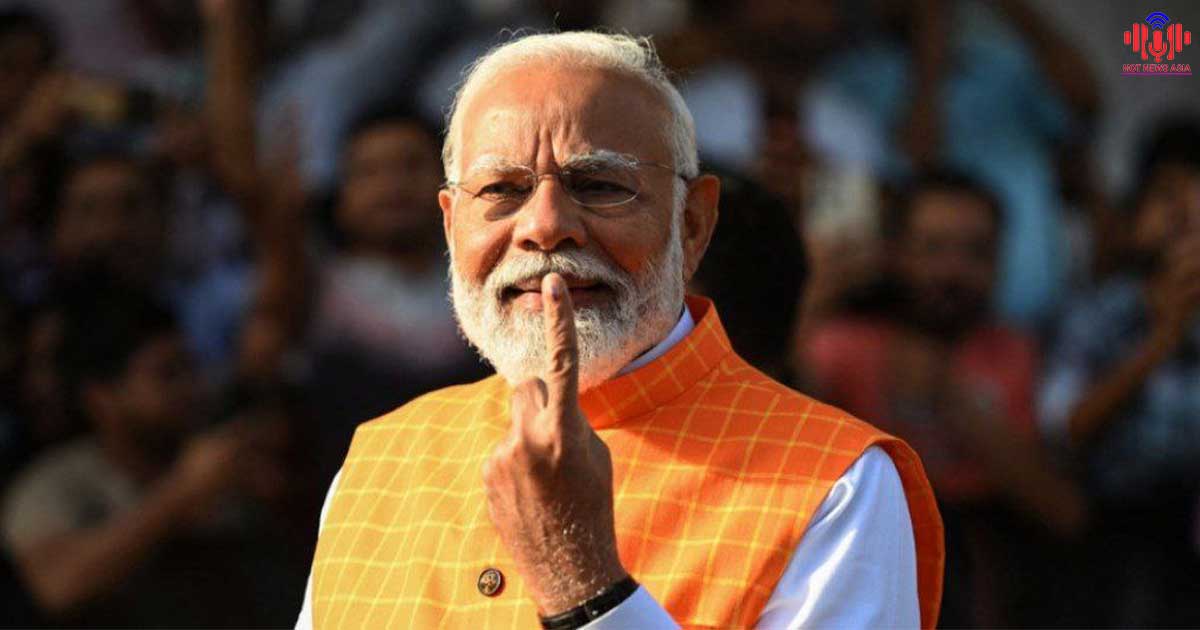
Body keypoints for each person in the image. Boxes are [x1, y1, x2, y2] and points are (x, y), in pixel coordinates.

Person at [297, 32, 943, 629]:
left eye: (599, 185)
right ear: (449, 225)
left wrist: (585, 585)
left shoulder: (836, 483)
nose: (544, 227)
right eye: (502, 191)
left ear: (693, 225)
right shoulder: (377, 464)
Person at [799, 170, 1084, 625]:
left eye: (975, 252)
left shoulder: (1016, 352)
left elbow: (1061, 511)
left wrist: (953, 398)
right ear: (894, 253)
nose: (953, 272)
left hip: (990, 570)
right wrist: (817, 297)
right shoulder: (839, 347)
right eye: (933, 249)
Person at [0, 279, 302, 626]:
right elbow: (57, 586)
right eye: (167, 375)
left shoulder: (225, 460)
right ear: (102, 397)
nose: (192, 388)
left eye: (191, 367)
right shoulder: (54, 485)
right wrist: (183, 493)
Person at [1040, 118, 1200, 626]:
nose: (1186, 213)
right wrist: (1162, 341)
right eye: (1169, 196)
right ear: (1134, 217)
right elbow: (1066, 429)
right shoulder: (1100, 312)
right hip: (1116, 537)